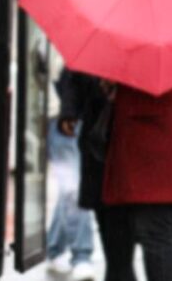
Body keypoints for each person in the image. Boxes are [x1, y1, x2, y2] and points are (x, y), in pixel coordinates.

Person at [101, 82, 172, 281]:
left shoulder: (142, 57)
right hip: (169, 134)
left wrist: (111, 85)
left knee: (155, 230)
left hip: (151, 139)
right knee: (154, 229)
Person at [56, 69, 122, 281]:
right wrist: (69, 111)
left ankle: (114, 268)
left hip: (132, 142)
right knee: (104, 214)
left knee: (127, 225)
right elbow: (72, 78)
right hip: (97, 140)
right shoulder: (96, 44)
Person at [46, 117, 96, 280]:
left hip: (73, 119)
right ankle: (81, 255)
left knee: (70, 190)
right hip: (67, 120)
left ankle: (55, 249)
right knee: (74, 189)